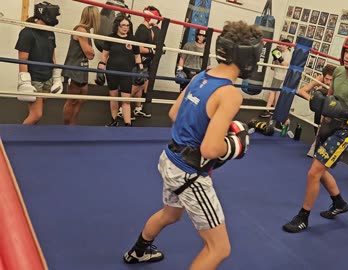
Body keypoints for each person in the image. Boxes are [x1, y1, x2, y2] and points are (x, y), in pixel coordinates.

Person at [122, 21, 263, 269]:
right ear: (248, 56)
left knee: (170, 214)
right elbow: (210, 150)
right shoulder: (230, 93)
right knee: (219, 249)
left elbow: (175, 113)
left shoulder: (202, 75)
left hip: (169, 159)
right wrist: (235, 146)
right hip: (189, 174)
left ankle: (138, 252)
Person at [282, 34, 348, 233]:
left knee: (314, 172)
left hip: (344, 131)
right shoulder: (339, 72)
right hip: (328, 126)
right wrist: (322, 106)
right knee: (320, 170)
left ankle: (303, 217)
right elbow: (332, 99)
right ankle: (339, 203)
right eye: (347, 51)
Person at [15, 1, 62, 125]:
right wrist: (25, 83)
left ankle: (28, 137)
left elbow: (52, 56)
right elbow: (22, 59)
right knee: (36, 115)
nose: (56, 19)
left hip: (47, 77)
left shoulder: (50, 32)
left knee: (38, 111)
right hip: (34, 78)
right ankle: (20, 137)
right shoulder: (27, 33)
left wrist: (56, 77)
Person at [97, 14, 144, 127]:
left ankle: (128, 123)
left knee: (125, 99)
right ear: (117, 26)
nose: (125, 27)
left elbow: (137, 56)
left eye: (127, 25)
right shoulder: (111, 37)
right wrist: (100, 68)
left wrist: (141, 70)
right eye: (123, 25)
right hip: (112, 71)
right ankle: (114, 120)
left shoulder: (132, 39)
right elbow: (104, 55)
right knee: (113, 97)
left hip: (126, 72)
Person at [62, 6, 100, 125]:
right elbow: (90, 54)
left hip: (82, 67)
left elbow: (90, 53)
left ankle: (72, 122)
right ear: (93, 17)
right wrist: (90, 51)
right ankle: (67, 125)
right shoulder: (81, 30)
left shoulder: (86, 31)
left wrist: (90, 51)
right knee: (72, 100)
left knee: (82, 99)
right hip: (75, 68)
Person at [128, 6, 162, 119]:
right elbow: (139, 48)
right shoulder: (142, 29)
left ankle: (138, 108)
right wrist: (152, 50)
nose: (158, 20)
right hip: (138, 61)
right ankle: (122, 108)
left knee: (141, 86)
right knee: (135, 86)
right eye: (156, 17)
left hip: (146, 62)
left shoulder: (149, 29)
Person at [297, 64, 336, 157]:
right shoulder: (320, 80)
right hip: (320, 109)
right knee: (318, 127)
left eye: (331, 80)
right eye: (327, 79)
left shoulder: (337, 84)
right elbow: (301, 91)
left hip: (331, 111)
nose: (328, 82)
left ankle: (315, 145)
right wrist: (314, 100)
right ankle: (317, 144)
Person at [259, 39, 292, 118]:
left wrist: (278, 56)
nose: (281, 45)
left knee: (272, 92)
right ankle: (275, 110)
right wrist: (275, 58)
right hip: (277, 74)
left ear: (287, 46)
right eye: (281, 44)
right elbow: (273, 66)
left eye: (283, 44)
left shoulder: (288, 54)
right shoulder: (280, 52)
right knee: (276, 93)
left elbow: (285, 64)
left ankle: (267, 110)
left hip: (280, 76)